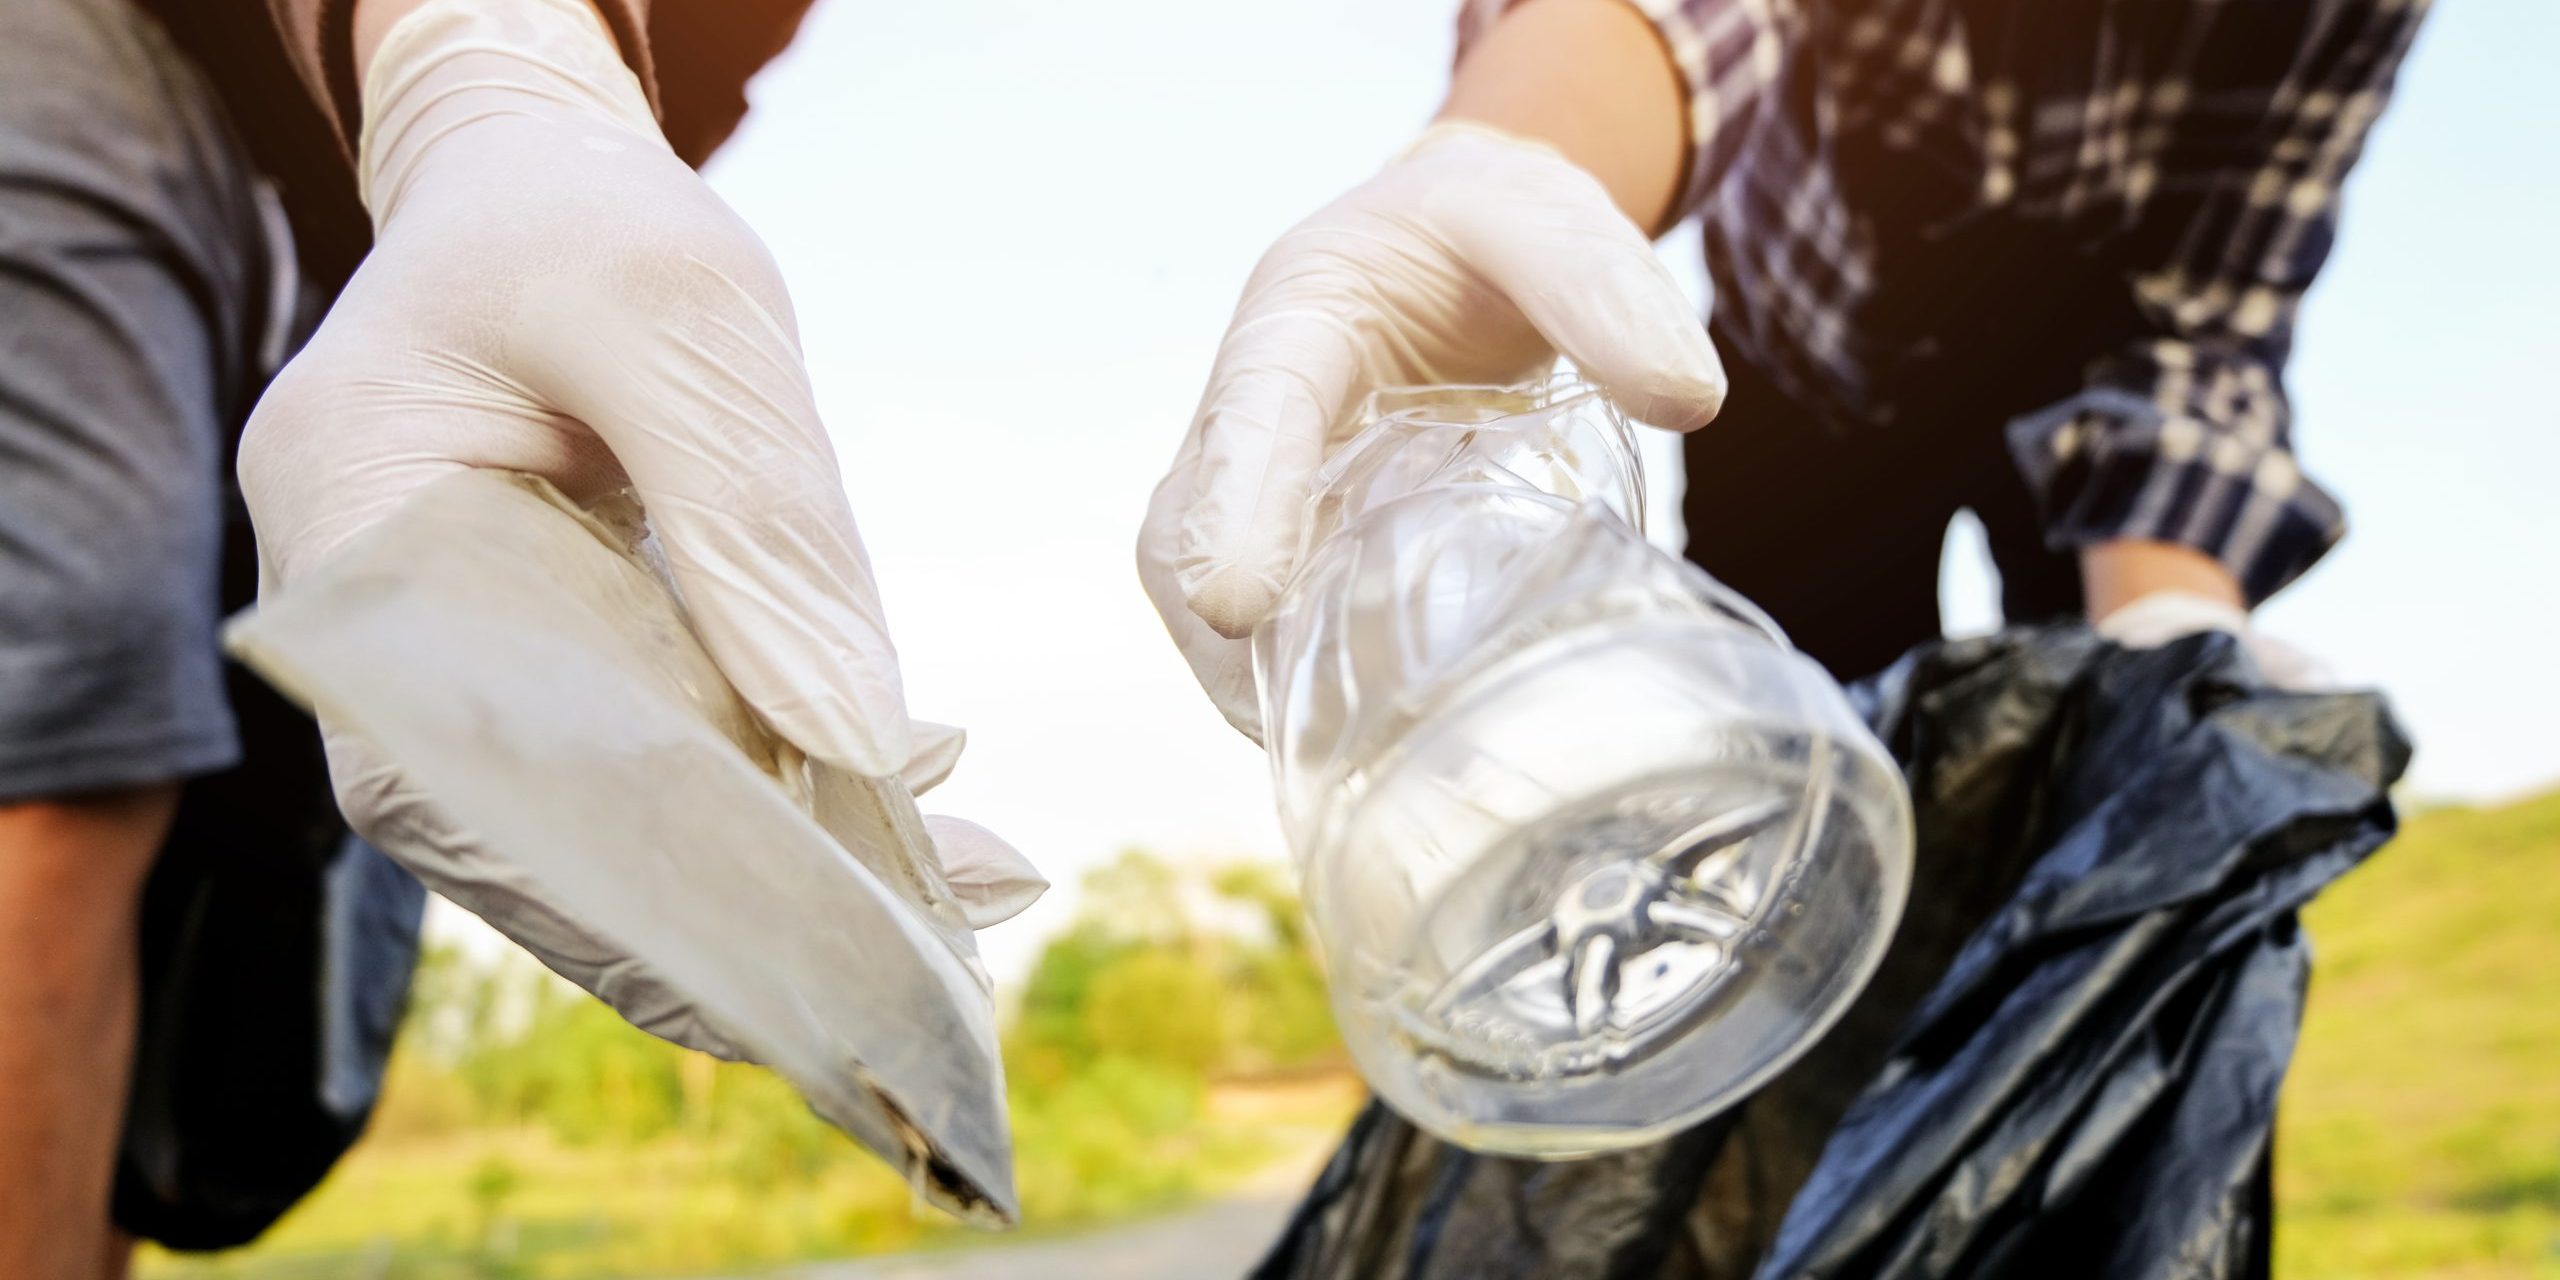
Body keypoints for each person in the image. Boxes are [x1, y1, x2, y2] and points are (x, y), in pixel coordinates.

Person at [0, 0, 1036, 1275]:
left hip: (359, 170)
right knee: (61, 730)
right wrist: (474, 43)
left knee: (220, 869)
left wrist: (508, 98)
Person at [1140, 0, 2425, 737]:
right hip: (1785, 375)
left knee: (2103, 782)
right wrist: (1507, 153)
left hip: (2075, 409)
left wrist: (2171, 625)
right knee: (1791, 760)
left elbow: (2209, 290)